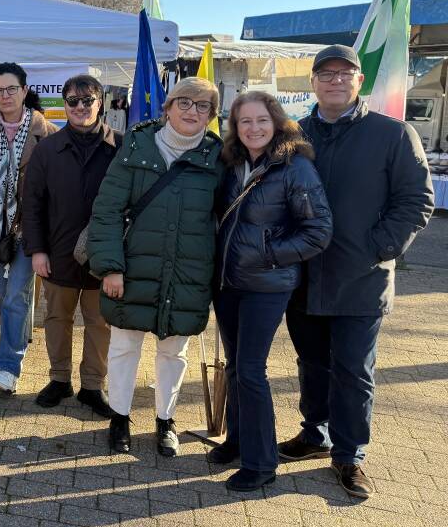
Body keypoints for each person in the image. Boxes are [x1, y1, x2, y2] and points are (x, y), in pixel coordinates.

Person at [279, 44, 433, 499]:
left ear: (358, 81)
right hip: (303, 278)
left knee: (354, 370)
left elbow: (416, 201)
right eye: (325, 74)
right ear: (312, 82)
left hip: (360, 277)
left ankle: (349, 455)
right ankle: (315, 433)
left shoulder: (392, 134)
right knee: (312, 363)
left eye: (344, 73)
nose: (335, 80)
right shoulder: (293, 134)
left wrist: (378, 247)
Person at [87, 77, 223, 457]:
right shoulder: (135, 147)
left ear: (211, 116)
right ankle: (120, 417)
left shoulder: (217, 158)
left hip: (187, 274)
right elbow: (107, 211)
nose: (192, 112)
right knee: (124, 347)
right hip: (132, 269)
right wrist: (110, 267)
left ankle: (166, 419)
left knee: (173, 351)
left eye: (203, 107)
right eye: (185, 103)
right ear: (168, 107)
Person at [211, 92, 332, 491]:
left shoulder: (295, 167)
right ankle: (239, 440)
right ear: (235, 127)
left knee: (250, 370)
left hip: (266, 284)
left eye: (261, 120)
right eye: (244, 121)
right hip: (229, 284)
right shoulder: (232, 163)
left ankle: (262, 465)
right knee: (234, 367)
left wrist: (268, 254)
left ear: (276, 121)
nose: (253, 128)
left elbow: (318, 231)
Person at [24, 74, 120, 416]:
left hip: (104, 256)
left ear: (100, 103)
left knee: (100, 323)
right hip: (58, 252)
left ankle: (93, 386)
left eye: (87, 100)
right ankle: (59, 378)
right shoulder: (48, 148)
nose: (80, 107)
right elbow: (31, 202)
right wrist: (36, 250)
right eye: (72, 101)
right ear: (63, 105)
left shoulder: (120, 147)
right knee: (57, 318)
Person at [0, 62, 57, 394]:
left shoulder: (46, 133)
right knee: (3, 295)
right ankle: (10, 346)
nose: (5, 96)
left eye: (11, 89)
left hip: (29, 229)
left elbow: (55, 184)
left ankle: (9, 367)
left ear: (24, 90)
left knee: (16, 297)